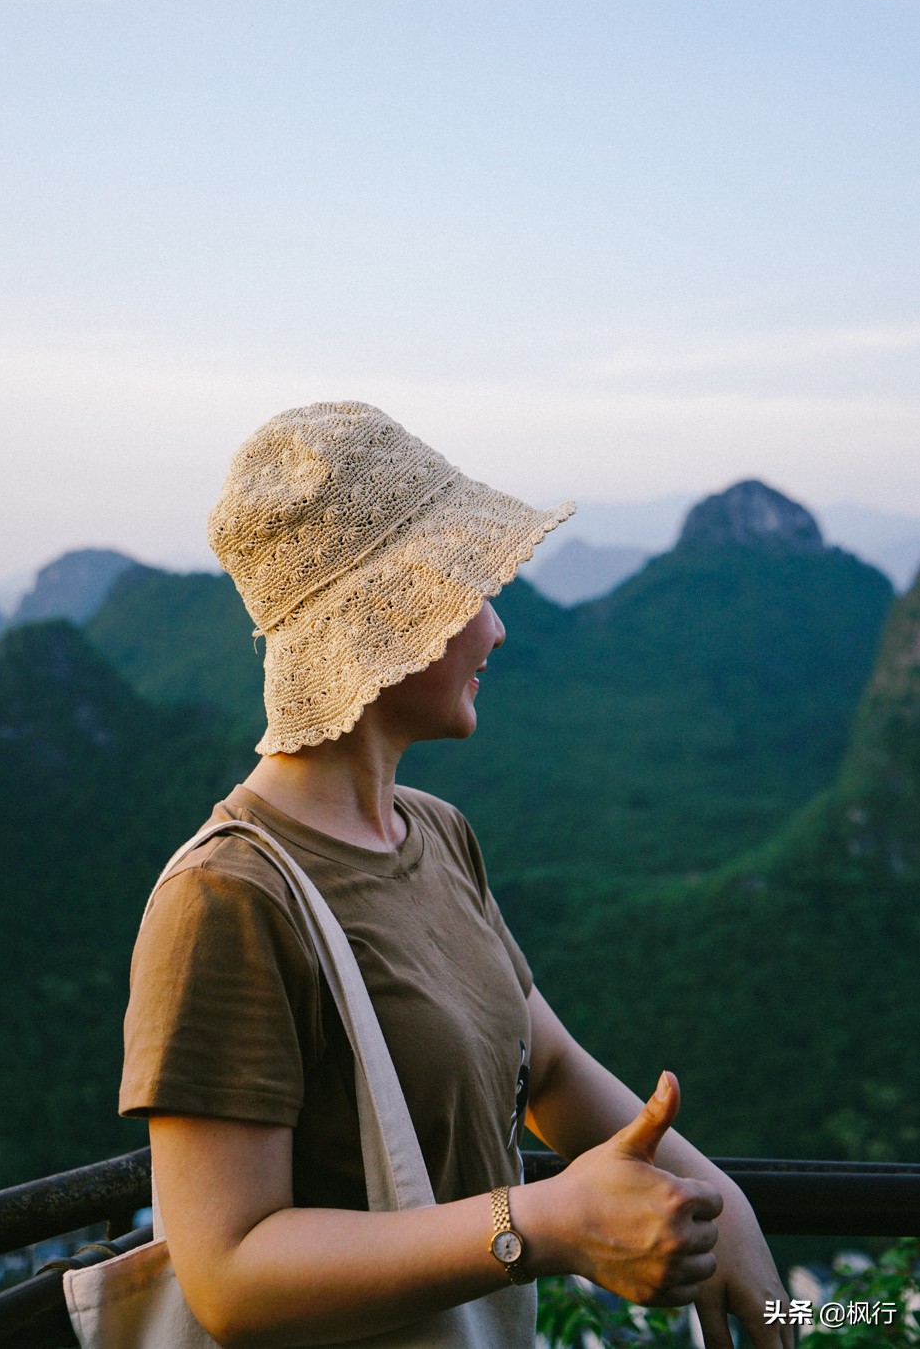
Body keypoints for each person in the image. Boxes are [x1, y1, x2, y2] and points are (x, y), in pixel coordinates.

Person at [119, 400, 791, 1349]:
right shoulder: (226, 899)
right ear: (390, 622)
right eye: (469, 589)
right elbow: (228, 1276)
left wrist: (720, 1202)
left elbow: (545, 1066)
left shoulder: (435, 834)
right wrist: (548, 1224)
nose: (498, 630)